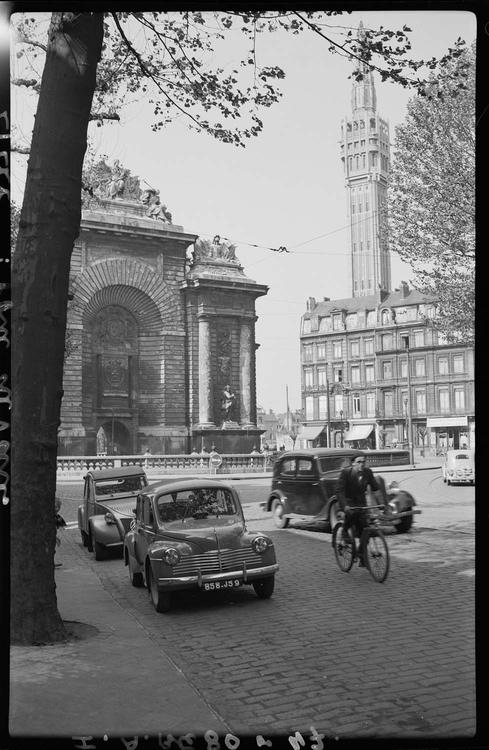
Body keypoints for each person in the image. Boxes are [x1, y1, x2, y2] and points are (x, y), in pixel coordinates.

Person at [335, 453, 379, 566]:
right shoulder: (346, 473)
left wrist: (378, 485)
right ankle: (344, 531)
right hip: (348, 502)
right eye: (359, 462)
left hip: (361, 503)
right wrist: (345, 505)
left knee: (366, 530)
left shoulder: (368, 472)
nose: (361, 464)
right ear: (353, 463)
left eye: (363, 462)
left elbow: (375, 487)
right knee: (351, 515)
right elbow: (340, 491)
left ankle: (361, 554)